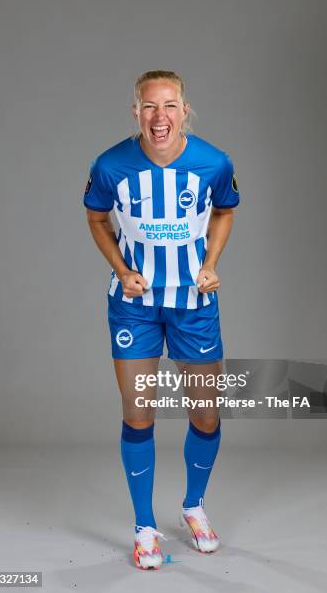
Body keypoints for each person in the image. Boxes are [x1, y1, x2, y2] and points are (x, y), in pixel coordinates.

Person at [83, 70, 239, 570]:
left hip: (193, 302)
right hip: (135, 303)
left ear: (185, 111)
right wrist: (121, 269)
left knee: (206, 415)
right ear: (136, 113)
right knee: (139, 413)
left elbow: (225, 211)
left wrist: (211, 264)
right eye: (150, 107)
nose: (159, 117)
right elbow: (95, 217)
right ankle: (144, 526)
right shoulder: (111, 165)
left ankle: (193, 506)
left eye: (169, 106)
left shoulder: (213, 162)